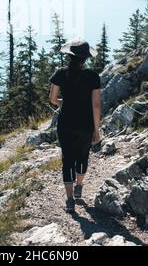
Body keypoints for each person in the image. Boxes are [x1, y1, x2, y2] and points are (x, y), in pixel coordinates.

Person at [49, 39, 101, 213]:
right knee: (82, 156)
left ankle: (70, 200)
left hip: (65, 124)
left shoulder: (60, 73)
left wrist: (65, 102)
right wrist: (97, 129)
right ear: (85, 58)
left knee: (67, 160)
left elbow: (53, 99)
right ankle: (79, 186)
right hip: (85, 125)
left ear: (70, 55)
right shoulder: (93, 76)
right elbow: (96, 105)